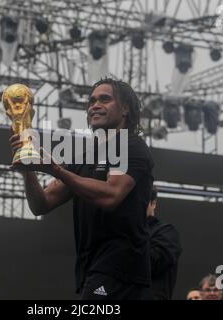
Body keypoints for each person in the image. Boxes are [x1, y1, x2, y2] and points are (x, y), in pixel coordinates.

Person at [9, 78, 154, 300]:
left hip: (120, 267)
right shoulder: (85, 157)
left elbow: (111, 196)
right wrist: (28, 168)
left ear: (125, 108)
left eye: (104, 99)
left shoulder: (131, 145)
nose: (94, 105)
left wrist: (56, 169)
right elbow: (42, 204)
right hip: (92, 268)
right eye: (91, 101)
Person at [145, 186, 182, 300]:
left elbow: (152, 264)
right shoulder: (120, 232)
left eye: (142, 201)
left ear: (153, 203)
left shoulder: (166, 232)